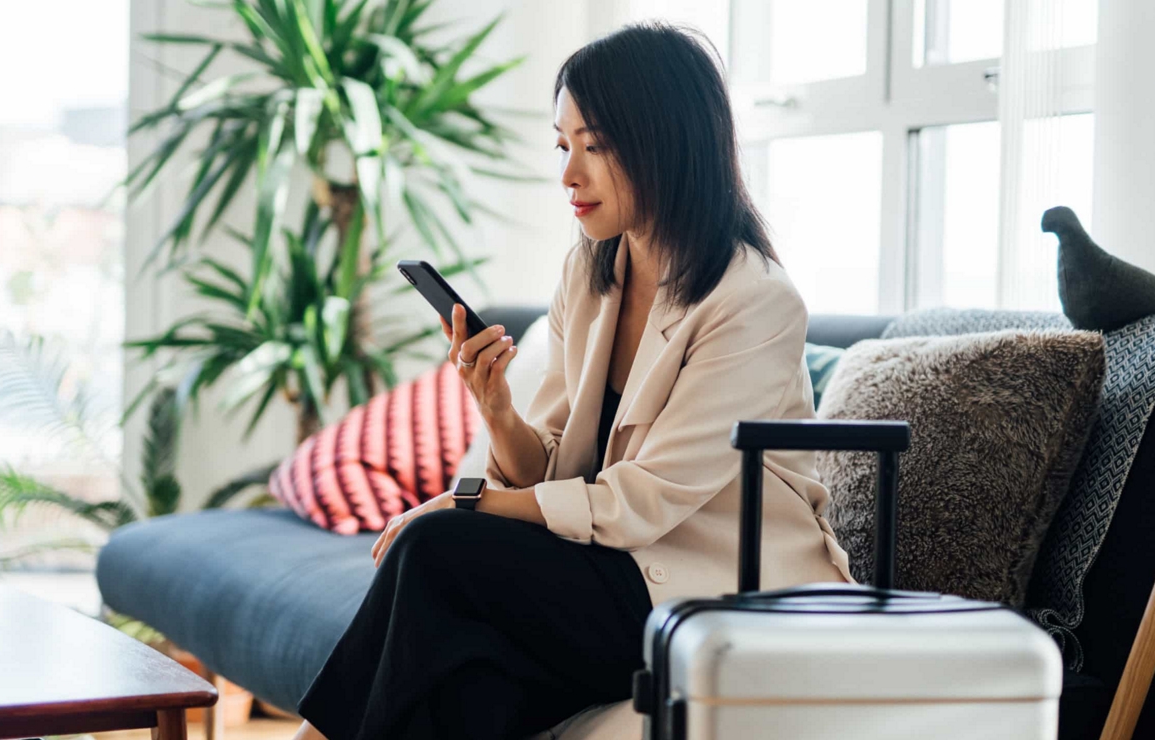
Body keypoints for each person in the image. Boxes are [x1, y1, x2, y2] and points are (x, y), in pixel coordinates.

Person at [292, 21, 852, 740]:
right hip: (612, 572)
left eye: (596, 146)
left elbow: (640, 503)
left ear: (666, 142)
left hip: (712, 594)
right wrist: (496, 409)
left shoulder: (755, 301)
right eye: (563, 145)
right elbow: (552, 473)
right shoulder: (589, 276)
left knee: (433, 552)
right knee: (468, 685)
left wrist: (466, 503)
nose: (569, 175)